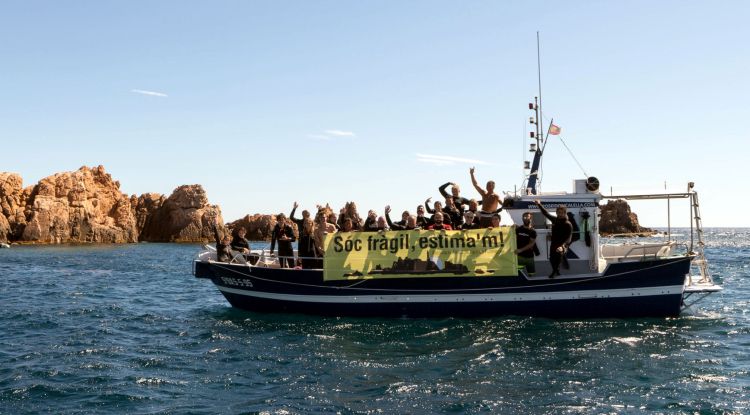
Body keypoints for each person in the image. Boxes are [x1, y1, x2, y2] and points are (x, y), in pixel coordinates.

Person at [534, 200, 572, 278]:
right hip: (554, 243)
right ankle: (557, 271)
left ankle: (554, 272)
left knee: (558, 256)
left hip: (563, 244)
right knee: (551, 259)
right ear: (556, 213)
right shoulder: (554, 219)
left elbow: (568, 238)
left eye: (562, 213)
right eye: (558, 212)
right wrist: (539, 204)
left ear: (565, 213)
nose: (560, 214)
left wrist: (563, 246)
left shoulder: (568, 224)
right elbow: (545, 213)